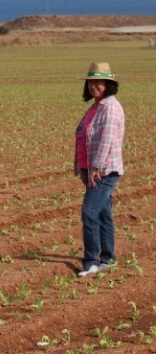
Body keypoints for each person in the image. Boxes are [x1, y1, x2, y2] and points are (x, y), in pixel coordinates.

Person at [74, 62, 124, 277]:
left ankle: (91, 261)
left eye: (99, 82)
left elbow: (107, 141)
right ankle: (107, 258)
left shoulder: (110, 108)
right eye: (92, 82)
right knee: (103, 214)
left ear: (108, 85)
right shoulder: (96, 106)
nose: (94, 86)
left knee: (90, 212)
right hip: (92, 168)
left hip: (103, 171)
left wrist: (96, 168)